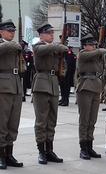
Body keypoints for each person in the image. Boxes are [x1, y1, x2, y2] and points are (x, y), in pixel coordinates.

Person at [32, 23, 68, 164]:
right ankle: (41, 151)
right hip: (41, 83)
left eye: (53, 33)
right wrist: (59, 46)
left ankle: (49, 150)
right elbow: (48, 49)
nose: (52, 35)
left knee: (52, 120)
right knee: (41, 121)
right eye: (48, 33)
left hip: (53, 83)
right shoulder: (38, 46)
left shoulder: (53, 48)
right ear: (41, 35)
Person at [76, 33, 106, 160]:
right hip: (85, 86)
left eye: (94, 44)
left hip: (95, 86)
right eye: (91, 45)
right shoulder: (82, 54)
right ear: (84, 45)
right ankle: (83, 148)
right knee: (85, 119)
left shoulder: (95, 55)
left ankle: (89, 145)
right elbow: (97, 53)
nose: (93, 47)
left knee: (92, 119)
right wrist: (100, 50)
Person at [0, 20, 24, 169]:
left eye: (13, 31)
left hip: (16, 85)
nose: (12, 33)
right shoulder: (6, 45)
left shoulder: (13, 46)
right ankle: (1, 155)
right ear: (1, 31)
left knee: (13, 123)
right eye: (9, 30)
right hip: (3, 86)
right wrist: (15, 44)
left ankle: (9, 154)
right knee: (2, 122)